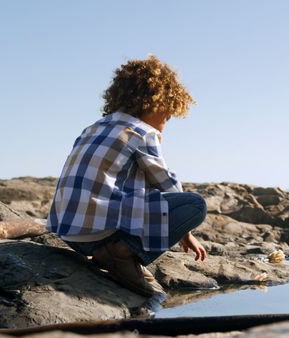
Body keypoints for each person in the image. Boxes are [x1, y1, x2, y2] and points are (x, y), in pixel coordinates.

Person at [47, 55, 208, 297]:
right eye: (168, 109)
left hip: (69, 232)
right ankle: (121, 253)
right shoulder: (142, 133)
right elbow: (169, 185)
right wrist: (185, 231)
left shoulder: (94, 127)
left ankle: (115, 252)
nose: (169, 117)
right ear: (151, 101)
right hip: (99, 235)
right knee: (195, 205)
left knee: (146, 195)